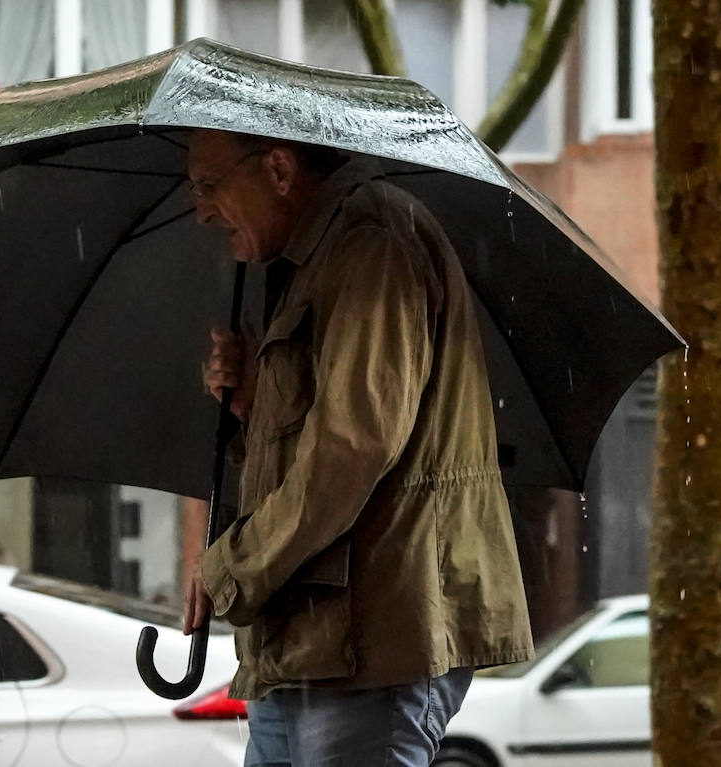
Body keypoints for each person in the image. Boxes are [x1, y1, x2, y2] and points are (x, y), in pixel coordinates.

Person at [182, 129, 533, 767]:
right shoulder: (313, 260)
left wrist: (231, 567)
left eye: (209, 186)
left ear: (280, 170)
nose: (200, 209)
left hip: (369, 646)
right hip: (310, 645)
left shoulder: (372, 244)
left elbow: (353, 449)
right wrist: (252, 408)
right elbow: (330, 439)